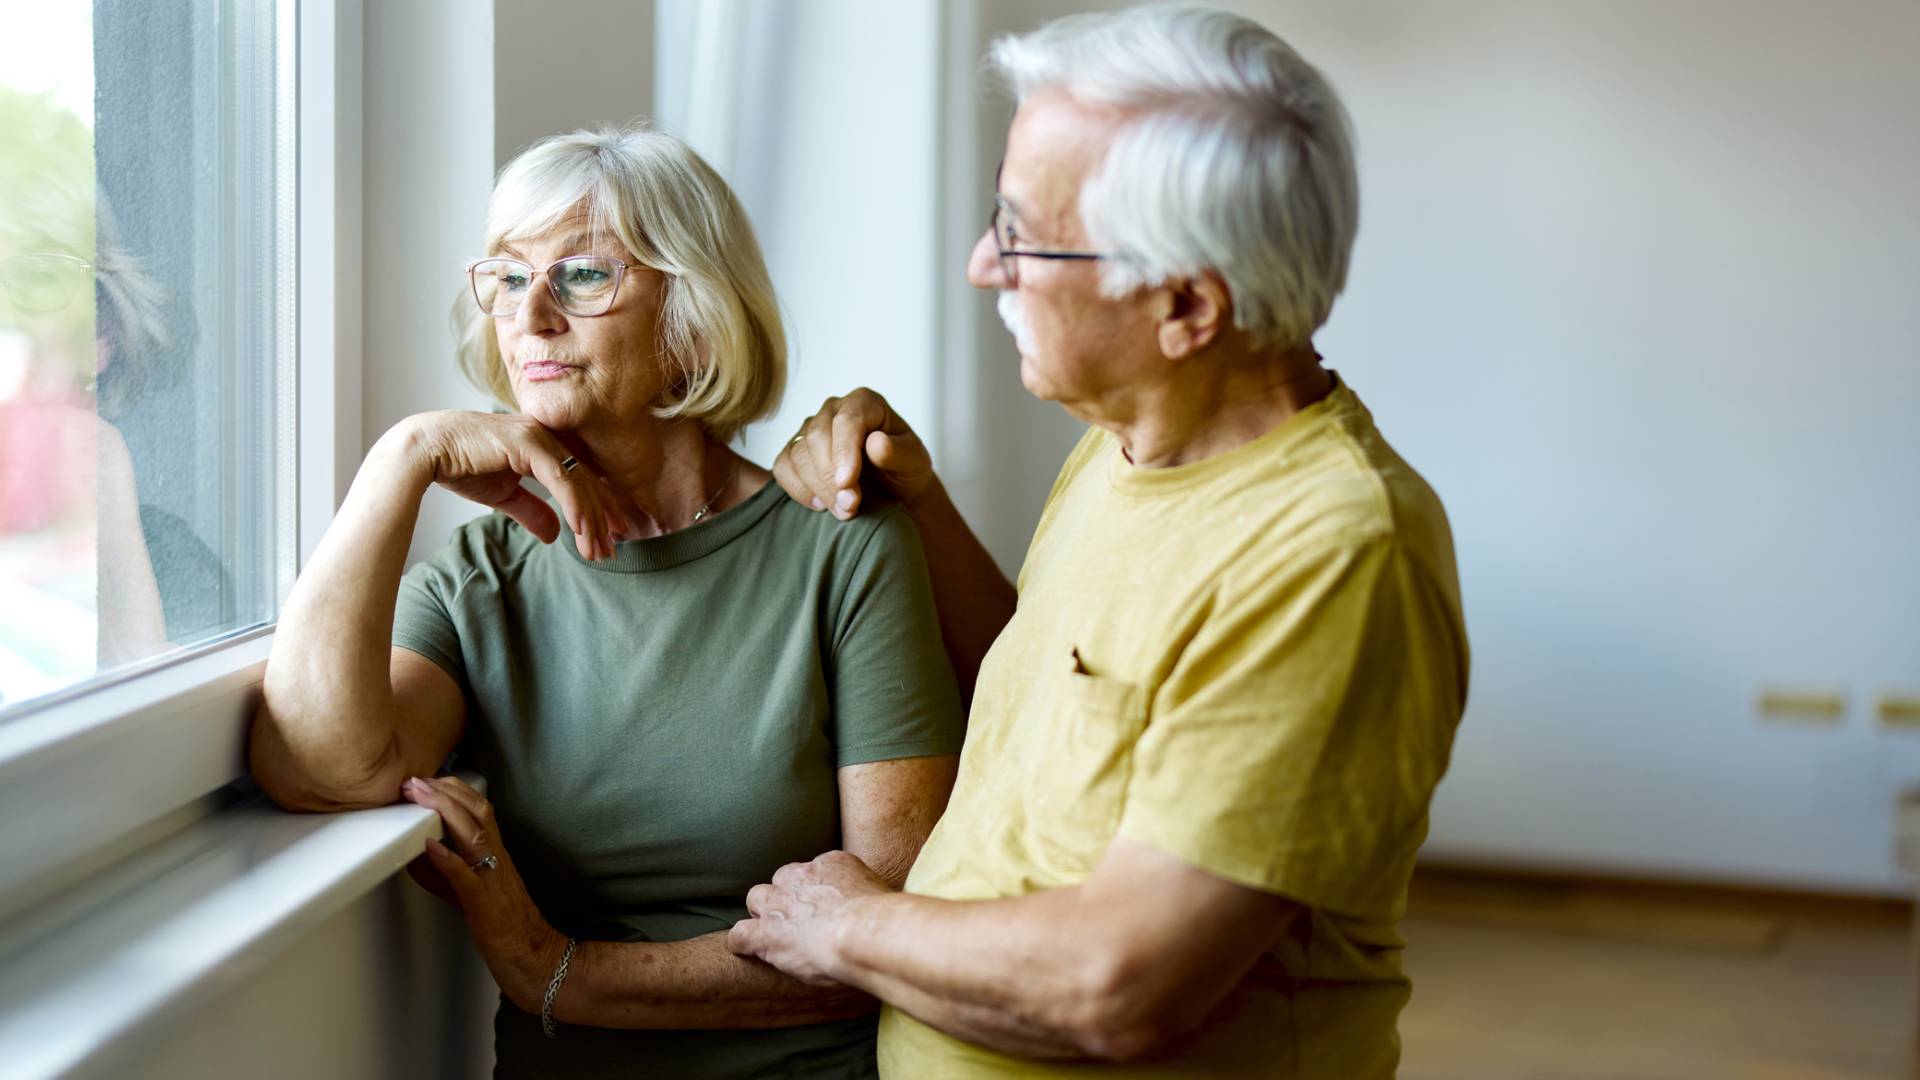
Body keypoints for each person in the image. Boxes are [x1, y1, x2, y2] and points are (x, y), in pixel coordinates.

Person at [727, 6, 1470, 1077]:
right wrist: (920, 509)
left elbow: (1119, 985)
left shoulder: (1339, 550)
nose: (983, 264)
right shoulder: (1131, 440)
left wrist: (846, 927)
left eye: (1021, 233)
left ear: (1186, 305)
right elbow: (1051, 702)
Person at [249, 126, 965, 1079]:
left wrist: (556, 971)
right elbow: (314, 769)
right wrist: (401, 460)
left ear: (694, 318)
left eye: (583, 275)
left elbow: (889, 932)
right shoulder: (481, 578)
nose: (531, 315)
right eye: (509, 277)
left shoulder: (844, 546)